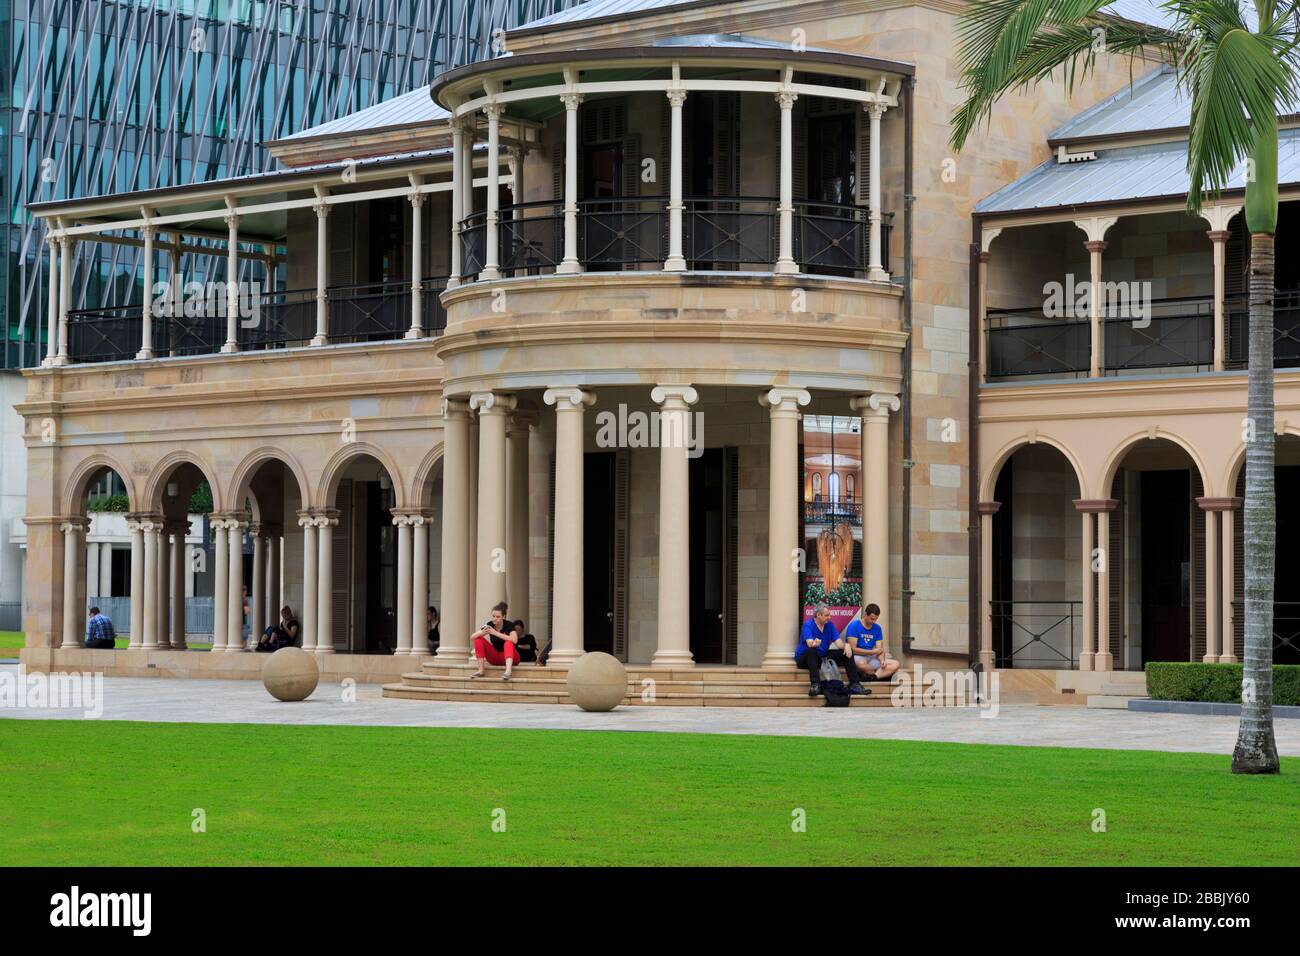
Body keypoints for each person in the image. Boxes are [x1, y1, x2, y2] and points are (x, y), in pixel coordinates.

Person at [794, 603, 866, 697]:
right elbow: (809, 643)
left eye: (829, 615)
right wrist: (814, 643)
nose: (829, 617)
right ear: (818, 615)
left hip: (822, 656)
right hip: (805, 658)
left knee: (847, 651)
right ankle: (815, 684)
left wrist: (846, 645)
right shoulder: (808, 625)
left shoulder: (829, 625)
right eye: (827, 615)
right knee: (812, 650)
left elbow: (839, 643)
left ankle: (854, 684)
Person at [844, 603, 900, 681]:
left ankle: (873, 677)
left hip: (872, 658)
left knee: (896, 664)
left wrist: (882, 660)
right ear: (865, 614)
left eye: (876, 619)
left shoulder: (877, 628)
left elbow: (879, 650)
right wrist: (871, 652)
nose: (874, 621)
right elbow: (853, 650)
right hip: (858, 656)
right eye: (872, 618)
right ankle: (880, 675)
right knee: (862, 664)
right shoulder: (854, 626)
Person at [471, 601, 520, 679]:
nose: (495, 619)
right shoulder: (489, 624)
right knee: (478, 639)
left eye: (498, 617)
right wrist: (483, 632)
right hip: (495, 658)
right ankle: (481, 670)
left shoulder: (509, 625)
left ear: (503, 617)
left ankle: (508, 672)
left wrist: (495, 633)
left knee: (508, 642)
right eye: (493, 616)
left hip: (512, 658)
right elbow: (472, 637)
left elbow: (515, 640)